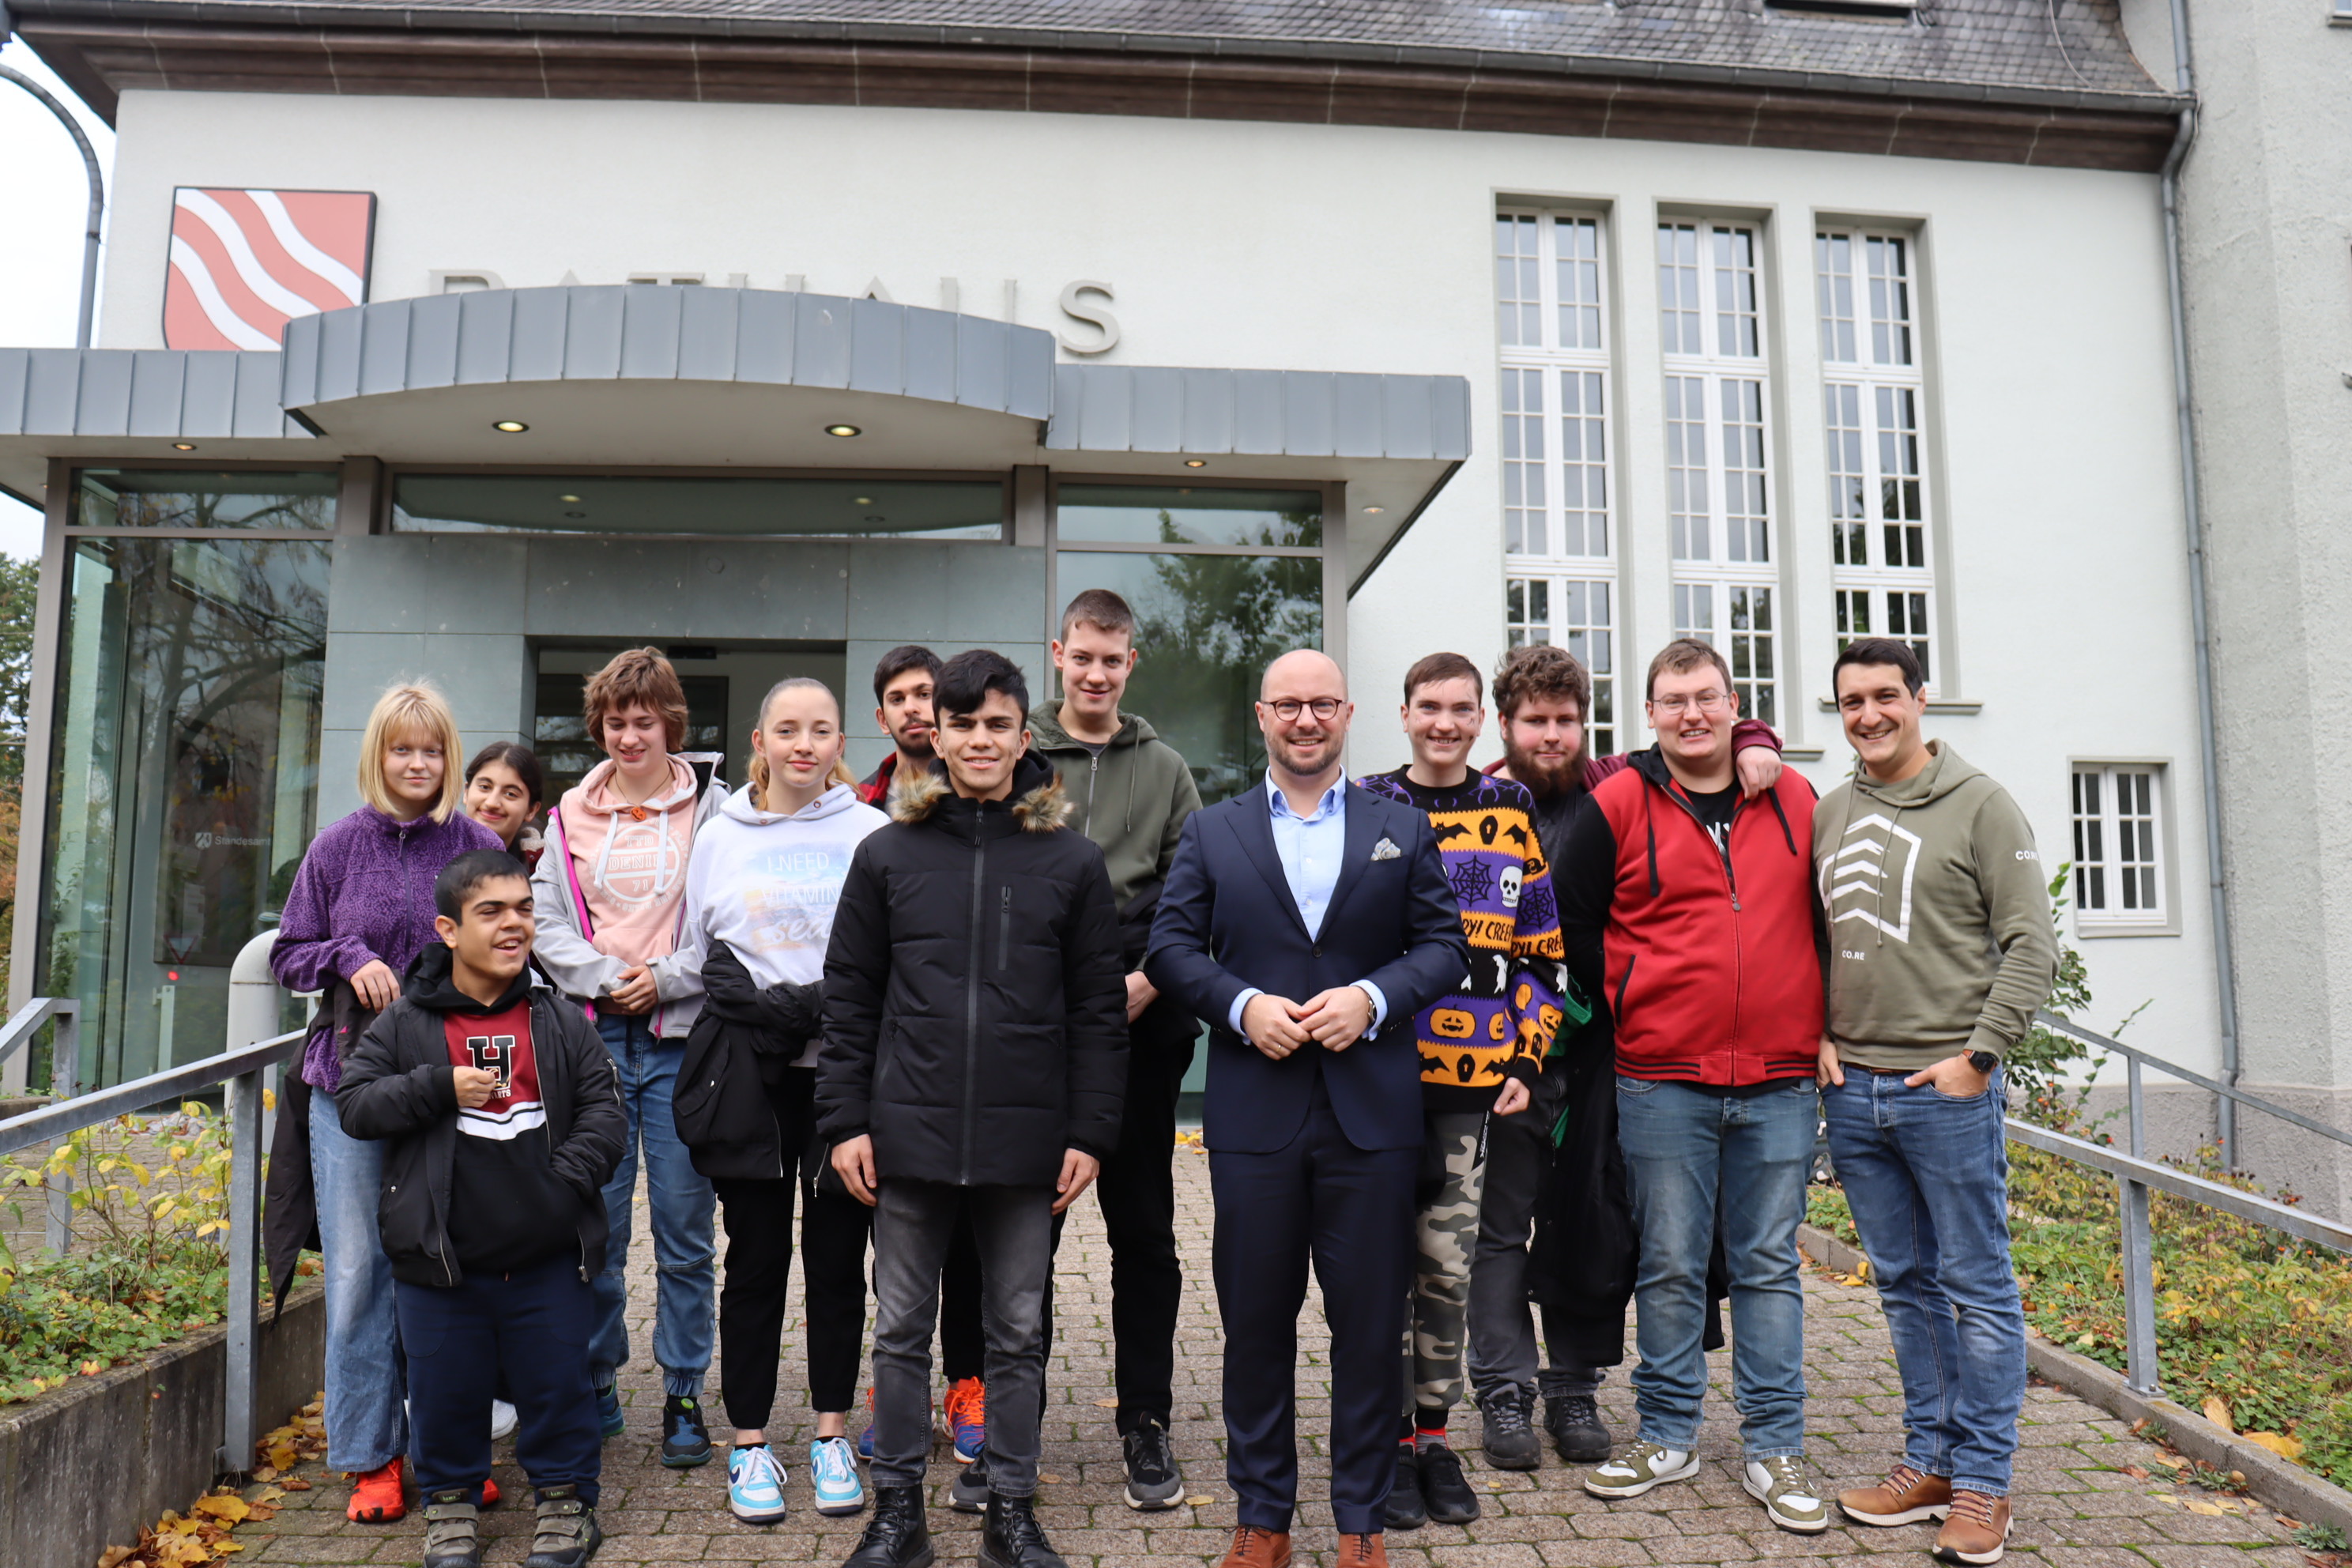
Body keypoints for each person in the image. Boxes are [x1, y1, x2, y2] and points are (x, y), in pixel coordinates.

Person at [1147, 650, 1469, 1568]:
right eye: (1287, 704)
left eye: (1321, 703)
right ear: (1262, 715)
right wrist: (1243, 1007)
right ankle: (1263, 1516)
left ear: (1348, 712)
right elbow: (1171, 948)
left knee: (1369, 1325)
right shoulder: (1215, 832)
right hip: (1256, 1116)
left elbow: (1444, 947)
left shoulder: (1398, 828)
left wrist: (1373, 998)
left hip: (1372, 1117)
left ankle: (1361, 1521)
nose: (1304, 719)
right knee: (1255, 1321)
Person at [819, 649, 1129, 1568]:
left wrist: (1090, 1133)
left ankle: (1012, 1510)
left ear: (1022, 736)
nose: (980, 739)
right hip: (906, 1137)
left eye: (997, 723)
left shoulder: (1071, 863)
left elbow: (1098, 1013)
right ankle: (896, 1514)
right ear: (936, 737)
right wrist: (845, 1122)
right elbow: (850, 996)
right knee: (902, 1332)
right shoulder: (885, 854)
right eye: (963, 724)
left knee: (1017, 1335)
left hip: (1028, 1142)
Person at [1471, 646, 1782, 1467]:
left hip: (1607, 1058)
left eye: (1565, 720)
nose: (1551, 735)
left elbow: (1705, 737)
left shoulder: (1621, 783)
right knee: (1500, 1229)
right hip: (1501, 1060)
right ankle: (1505, 1388)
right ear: (1506, 725)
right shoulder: (1479, 804)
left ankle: (1572, 1383)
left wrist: (1756, 734)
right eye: (1535, 721)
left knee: (1591, 1223)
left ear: (1588, 723)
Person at [1556, 639, 1828, 1533]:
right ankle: (1667, 1432)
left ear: (1734, 703)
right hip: (1661, 1077)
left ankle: (1774, 1446)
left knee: (1766, 1267)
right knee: (1669, 1264)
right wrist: (1635, 1003)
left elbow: (1826, 917)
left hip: (1782, 1078)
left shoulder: (1792, 796)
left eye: (1707, 698)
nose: (1692, 715)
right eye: (1673, 701)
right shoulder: (1617, 803)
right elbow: (1575, 920)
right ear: (1649, 715)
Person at [1816, 638, 2056, 1567]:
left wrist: (1981, 1056)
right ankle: (1931, 1464)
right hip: (1856, 1095)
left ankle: (1987, 1487)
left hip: (1944, 1092)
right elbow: (1814, 938)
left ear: (1923, 698)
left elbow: (2031, 943)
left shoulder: (1982, 804)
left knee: (1980, 1290)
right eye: (1850, 701)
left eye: (1885, 696)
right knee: (1907, 1288)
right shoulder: (1832, 810)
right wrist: (1819, 1031)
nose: (1869, 714)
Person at [336, 850, 626, 1568]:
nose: (513, 925)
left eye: (524, 909)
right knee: (445, 1391)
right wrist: (436, 1087)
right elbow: (356, 1104)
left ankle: (566, 1507)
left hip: (547, 1256)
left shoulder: (559, 1019)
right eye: (491, 912)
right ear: (447, 929)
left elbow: (604, 1112)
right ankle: (451, 1508)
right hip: (441, 1261)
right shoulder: (405, 1024)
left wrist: (562, 1188)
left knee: (558, 1384)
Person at [268, 681, 502, 1525]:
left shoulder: (477, 843)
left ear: (448, 759)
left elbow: (511, 945)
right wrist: (342, 954)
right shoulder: (336, 848)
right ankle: (372, 1456)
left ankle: (449, 1452)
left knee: (451, 1268)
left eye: (432, 749)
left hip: (455, 1087)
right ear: (379, 754)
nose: (417, 763)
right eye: (403, 748)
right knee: (363, 1272)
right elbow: (286, 955)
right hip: (351, 1088)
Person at [670, 677, 888, 1525]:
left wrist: (825, 1007)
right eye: (787, 729)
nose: (805, 743)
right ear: (758, 740)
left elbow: (887, 956)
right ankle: (751, 1442)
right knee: (754, 1260)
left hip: (840, 1076)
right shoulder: (721, 837)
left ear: (841, 743)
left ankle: (832, 1431)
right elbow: (701, 951)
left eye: (821, 729)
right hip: (749, 1076)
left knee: (838, 1257)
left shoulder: (872, 833)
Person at [1356, 652, 1566, 1529]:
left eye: (1460, 708)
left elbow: (1542, 954)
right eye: (1428, 707)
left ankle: (1433, 1440)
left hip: (1468, 1088)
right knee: (1374, 1272)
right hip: (1372, 1081)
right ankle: (1384, 1444)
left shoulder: (1510, 809)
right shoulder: (1367, 802)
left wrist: (1524, 1060)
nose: (1444, 722)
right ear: (1403, 714)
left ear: (1481, 718)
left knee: (1446, 1269)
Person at [1026, 587, 1204, 1510]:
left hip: (1143, 1025)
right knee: (1027, 1232)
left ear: (1131, 663)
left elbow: (1190, 893)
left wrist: (1143, 979)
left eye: (1113, 659)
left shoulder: (1166, 767)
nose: (1096, 673)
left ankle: (1146, 1421)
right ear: (1059, 653)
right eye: (1082, 656)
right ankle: (1011, 1423)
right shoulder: (1015, 754)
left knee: (1143, 1233)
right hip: (1034, 1037)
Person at [530, 647, 727, 1464]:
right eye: (616, 721)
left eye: (644, 719)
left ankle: (683, 1392)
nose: (630, 734)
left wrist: (665, 980)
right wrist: (611, 979)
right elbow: (542, 926)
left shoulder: (716, 811)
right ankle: (596, 1376)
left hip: (681, 1040)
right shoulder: (567, 815)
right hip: (592, 1042)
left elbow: (726, 923)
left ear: (670, 722)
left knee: (685, 1232)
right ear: (599, 726)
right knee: (593, 1230)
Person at [851, 642, 991, 1471]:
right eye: (899, 697)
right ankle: (895, 1395)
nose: (914, 708)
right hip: (896, 1065)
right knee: (897, 1255)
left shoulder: (995, 799)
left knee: (972, 1247)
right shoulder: (861, 809)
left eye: (926, 695)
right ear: (885, 716)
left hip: (980, 1065)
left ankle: (969, 1385)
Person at [858, 645, 943, 806]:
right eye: (897, 699)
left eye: (924, 694)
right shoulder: (859, 802)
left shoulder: (975, 791)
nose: (910, 708)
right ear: (883, 720)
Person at [465, 741, 548, 871]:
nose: (491, 803)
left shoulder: (544, 871)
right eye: (484, 787)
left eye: (510, 794)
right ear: (466, 792)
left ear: (531, 810)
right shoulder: (430, 852)